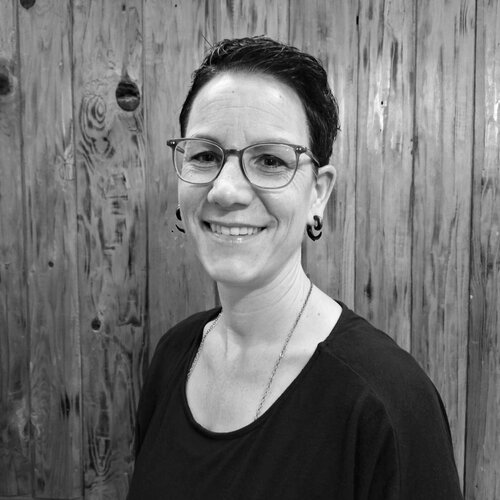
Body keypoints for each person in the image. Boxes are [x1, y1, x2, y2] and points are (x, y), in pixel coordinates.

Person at [127, 36, 463, 499]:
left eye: (269, 160)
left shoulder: (386, 402)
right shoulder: (173, 357)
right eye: (204, 155)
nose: (226, 191)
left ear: (318, 193)